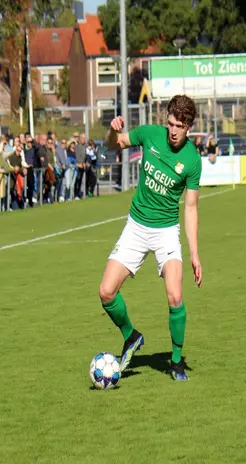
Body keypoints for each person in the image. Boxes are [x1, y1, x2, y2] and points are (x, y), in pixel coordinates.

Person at [99, 95, 203, 381]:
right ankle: (131, 336)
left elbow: (191, 208)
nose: (172, 131)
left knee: (175, 295)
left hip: (166, 231)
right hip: (136, 227)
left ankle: (177, 361)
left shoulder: (192, 160)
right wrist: (112, 130)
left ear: (188, 127)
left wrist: (194, 253)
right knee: (106, 292)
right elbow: (113, 144)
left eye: (179, 126)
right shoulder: (149, 135)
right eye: (170, 123)